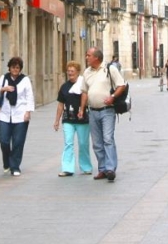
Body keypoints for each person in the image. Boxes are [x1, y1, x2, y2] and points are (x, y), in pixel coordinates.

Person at [79, 47, 126, 182]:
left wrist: (112, 97)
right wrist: (82, 109)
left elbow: (121, 85)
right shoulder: (87, 72)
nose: (86, 57)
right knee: (97, 143)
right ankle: (102, 169)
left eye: (88, 55)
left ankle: (110, 169)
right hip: (93, 111)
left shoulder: (109, 69)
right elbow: (84, 92)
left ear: (96, 58)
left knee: (107, 139)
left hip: (107, 110)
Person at [0, 56, 34, 176]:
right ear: (9, 68)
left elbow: (29, 97)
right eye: (13, 67)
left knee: (18, 142)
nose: (15, 70)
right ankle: (7, 162)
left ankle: (15, 166)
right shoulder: (3, 78)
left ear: (20, 69)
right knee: (3, 140)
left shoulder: (25, 80)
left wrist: (28, 112)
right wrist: (3, 89)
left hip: (20, 115)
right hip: (4, 115)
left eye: (17, 67)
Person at [53, 60, 92, 177]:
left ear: (78, 72)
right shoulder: (64, 87)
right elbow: (60, 104)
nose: (70, 73)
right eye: (68, 71)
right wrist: (57, 120)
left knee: (83, 144)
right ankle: (67, 168)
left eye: (72, 71)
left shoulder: (83, 84)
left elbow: (88, 98)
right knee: (68, 143)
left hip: (82, 119)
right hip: (68, 119)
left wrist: (82, 109)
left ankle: (86, 167)